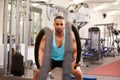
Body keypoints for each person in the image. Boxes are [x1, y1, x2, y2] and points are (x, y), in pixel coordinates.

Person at [34, 16, 82, 80]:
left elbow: (75, 50)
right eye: (57, 24)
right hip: (51, 60)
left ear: (64, 25)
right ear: (54, 24)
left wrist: (76, 61)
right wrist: (40, 63)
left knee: (78, 73)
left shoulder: (70, 35)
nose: (59, 26)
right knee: (38, 72)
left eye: (61, 24)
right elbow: (41, 49)